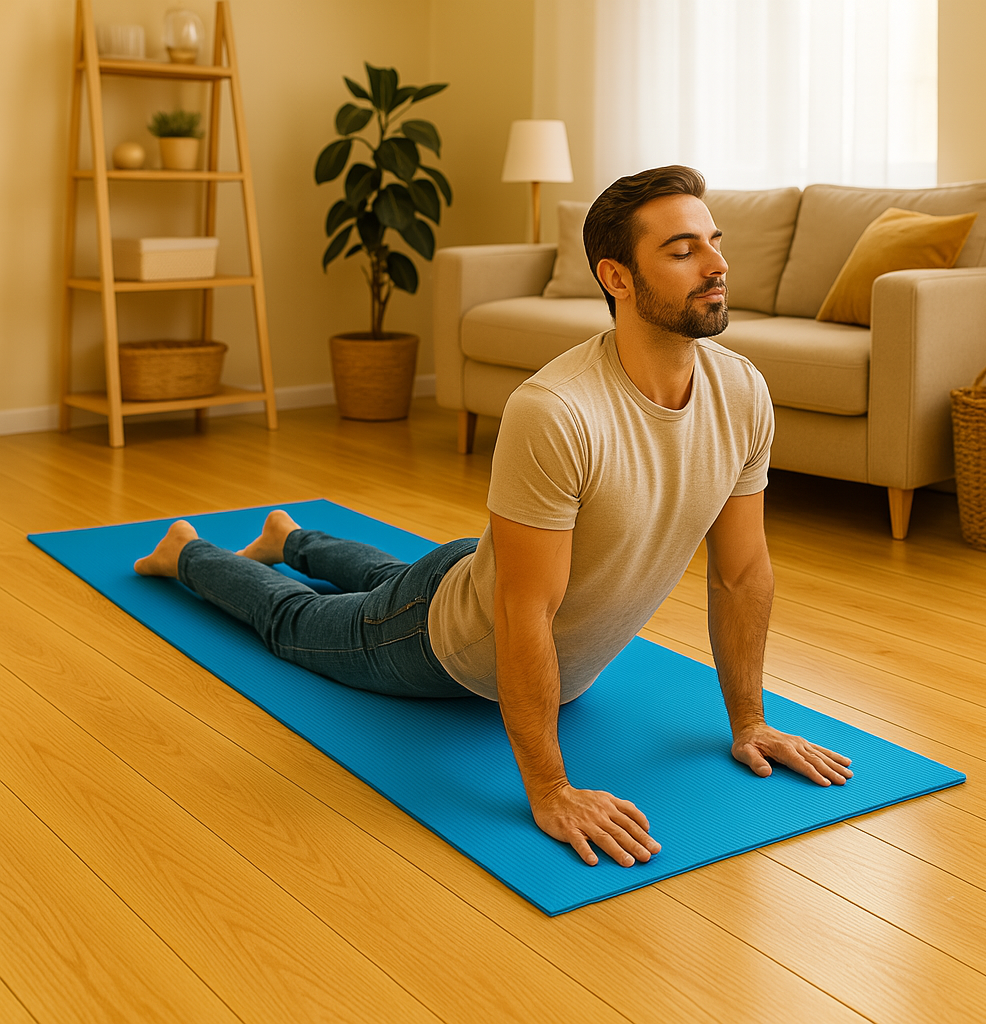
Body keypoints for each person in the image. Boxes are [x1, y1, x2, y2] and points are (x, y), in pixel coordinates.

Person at [136, 165, 853, 869]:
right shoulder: (558, 410)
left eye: (713, 240)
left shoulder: (742, 389)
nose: (717, 263)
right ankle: (187, 552)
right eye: (683, 250)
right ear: (617, 278)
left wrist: (750, 723)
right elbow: (520, 613)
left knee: (397, 575)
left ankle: (290, 536)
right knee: (297, 624)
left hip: (482, 569)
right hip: (444, 641)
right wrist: (551, 789)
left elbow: (741, 573)